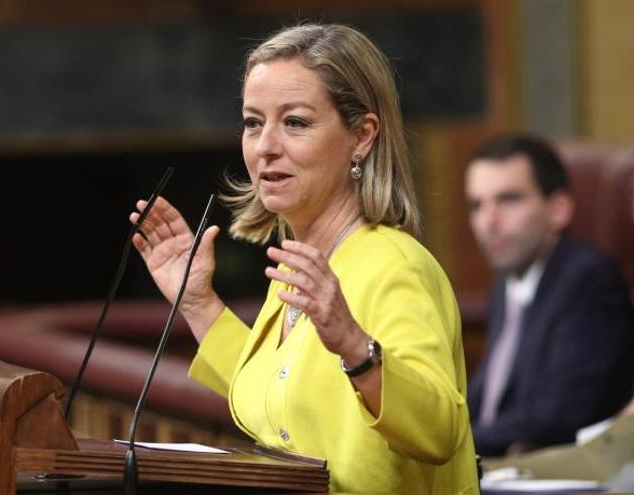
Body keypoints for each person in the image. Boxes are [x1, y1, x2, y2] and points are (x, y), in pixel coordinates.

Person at [130, 24, 478, 493]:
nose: (265, 145)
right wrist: (197, 303)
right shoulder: (303, 262)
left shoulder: (395, 266)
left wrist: (356, 347)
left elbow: (440, 432)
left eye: (294, 122)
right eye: (253, 122)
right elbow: (285, 394)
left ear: (362, 135)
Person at [465, 134, 634, 457]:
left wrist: (451, 445)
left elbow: (556, 415)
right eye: (477, 205)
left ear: (558, 209)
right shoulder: (504, 288)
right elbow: (488, 402)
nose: (489, 221)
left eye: (509, 199)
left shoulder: (586, 279)